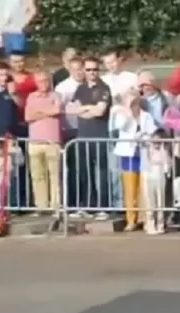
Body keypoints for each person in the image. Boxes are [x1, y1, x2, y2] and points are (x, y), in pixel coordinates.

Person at [66, 56, 112, 219]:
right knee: (84, 173)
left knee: (101, 173)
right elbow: (70, 109)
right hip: (82, 136)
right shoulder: (81, 89)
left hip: (99, 136)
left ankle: (103, 208)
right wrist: (89, 109)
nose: (92, 73)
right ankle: (86, 206)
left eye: (95, 69)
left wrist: (84, 109)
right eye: (88, 70)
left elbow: (100, 111)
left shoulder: (104, 88)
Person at [111, 91, 158, 231]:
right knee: (130, 188)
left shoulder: (146, 116)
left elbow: (152, 131)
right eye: (130, 102)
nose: (133, 105)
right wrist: (128, 111)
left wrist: (144, 137)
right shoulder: (121, 114)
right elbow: (121, 126)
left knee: (143, 188)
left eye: (135, 101)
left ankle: (144, 219)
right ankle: (131, 219)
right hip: (128, 154)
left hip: (143, 153)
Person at [24, 71, 63, 216]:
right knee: (37, 176)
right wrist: (48, 112)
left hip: (53, 141)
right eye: (40, 81)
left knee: (55, 176)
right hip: (35, 141)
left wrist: (39, 112)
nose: (43, 83)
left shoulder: (56, 95)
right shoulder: (31, 96)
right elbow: (28, 116)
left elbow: (57, 110)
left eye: (46, 80)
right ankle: (41, 206)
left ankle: (56, 206)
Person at [142, 129, 172, 234]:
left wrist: (163, 150)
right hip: (149, 175)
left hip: (160, 175)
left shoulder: (164, 151)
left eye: (159, 141)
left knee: (161, 201)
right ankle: (150, 224)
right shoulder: (148, 149)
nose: (157, 144)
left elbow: (167, 164)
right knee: (150, 202)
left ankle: (160, 224)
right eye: (155, 141)